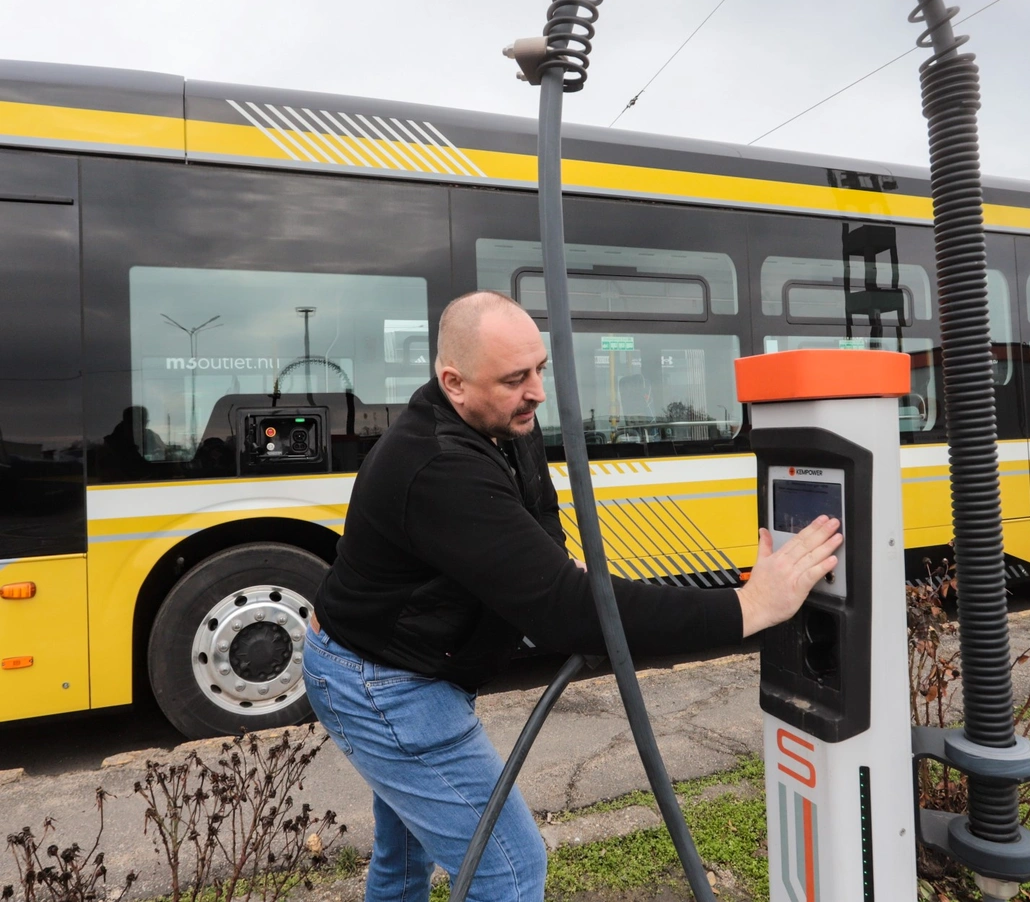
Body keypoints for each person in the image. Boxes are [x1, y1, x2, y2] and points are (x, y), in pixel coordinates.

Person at [304, 291, 840, 902]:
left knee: (404, 862)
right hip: (381, 684)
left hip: (404, 661)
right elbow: (568, 611)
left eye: (540, 370)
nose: (536, 392)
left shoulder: (506, 422)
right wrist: (748, 607)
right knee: (507, 870)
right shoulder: (437, 464)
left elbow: (541, 520)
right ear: (454, 383)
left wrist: (552, 570)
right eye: (515, 378)